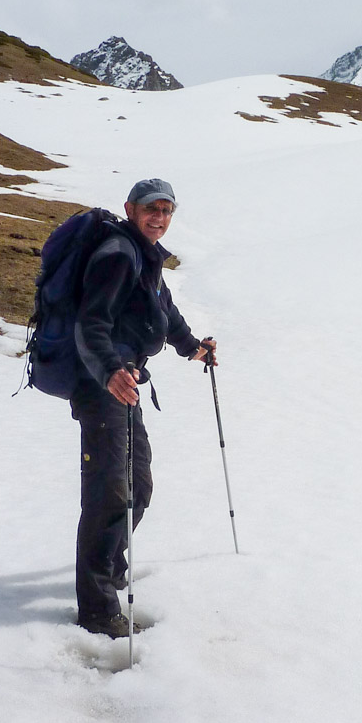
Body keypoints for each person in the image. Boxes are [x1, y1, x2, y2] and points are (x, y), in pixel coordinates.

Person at [70, 178, 215, 638]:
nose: (159, 217)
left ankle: (111, 567)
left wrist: (193, 347)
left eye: (167, 210)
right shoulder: (117, 254)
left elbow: (163, 314)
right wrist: (111, 370)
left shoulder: (145, 256)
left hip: (125, 381)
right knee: (109, 491)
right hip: (103, 384)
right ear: (131, 209)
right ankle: (97, 608)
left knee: (139, 485)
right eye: (151, 208)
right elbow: (90, 322)